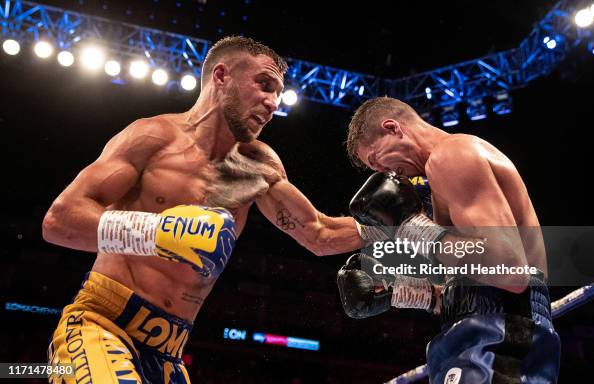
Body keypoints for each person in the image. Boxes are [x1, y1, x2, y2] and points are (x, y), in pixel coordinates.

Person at [42, 36, 370, 384]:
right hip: (101, 324)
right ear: (221, 76)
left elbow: (319, 234)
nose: (273, 102)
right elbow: (59, 221)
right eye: (264, 84)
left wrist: (411, 233)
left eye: (277, 93)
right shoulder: (151, 138)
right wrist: (156, 234)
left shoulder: (259, 166)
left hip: (169, 352)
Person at [337, 97, 560, 383]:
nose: (384, 173)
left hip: (501, 330)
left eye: (376, 160)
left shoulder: (453, 155)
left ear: (392, 128)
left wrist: (412, 226)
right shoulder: (440, 178)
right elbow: (476, 278)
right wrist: (406, 292)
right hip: (480, 327)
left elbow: (510, 271)